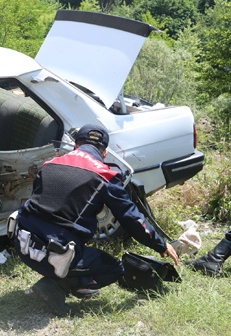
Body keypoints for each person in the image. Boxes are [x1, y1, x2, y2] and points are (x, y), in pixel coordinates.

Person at [10, 124, 179, 316]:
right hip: (53, 254)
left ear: (76, 145)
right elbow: (131, 218)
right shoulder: (105, 175)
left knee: (69, 239)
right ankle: (55, 286)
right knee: (113, 268)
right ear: (105, 152)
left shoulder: (50, 164)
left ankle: (75, 283)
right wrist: (160, 244)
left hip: (23, 245)